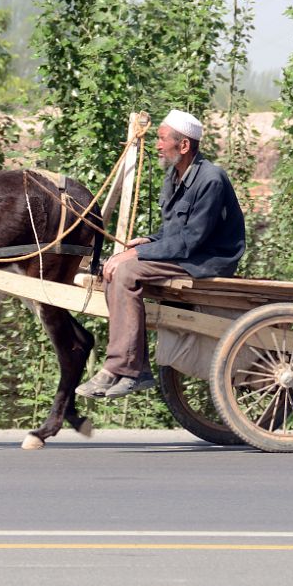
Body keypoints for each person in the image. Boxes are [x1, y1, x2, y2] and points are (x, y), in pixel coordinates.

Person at [76, 109, 246, 399]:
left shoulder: (211, 180)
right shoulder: (174, 175)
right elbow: (176, 231)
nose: (156, 145)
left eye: (162, 139)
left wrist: (138, 254)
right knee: (111, 268)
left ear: (184, 145)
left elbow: (191, 241)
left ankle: (122, 367)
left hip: (208, 260)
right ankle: (135, 368)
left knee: (126, 271)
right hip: (189, 253)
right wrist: (148, 240)